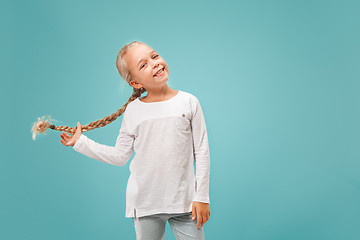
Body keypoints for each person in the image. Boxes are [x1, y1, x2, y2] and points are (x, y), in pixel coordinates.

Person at [58, 41, 211, 240]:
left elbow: (202, 151)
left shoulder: (189, 102)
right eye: (143, 65)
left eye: (154, 56)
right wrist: (81, 143)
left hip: (185, 203)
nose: (154, 63)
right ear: (136, 83)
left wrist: (202, 198)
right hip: (145, 203)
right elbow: (120, 156)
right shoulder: (134, 111)